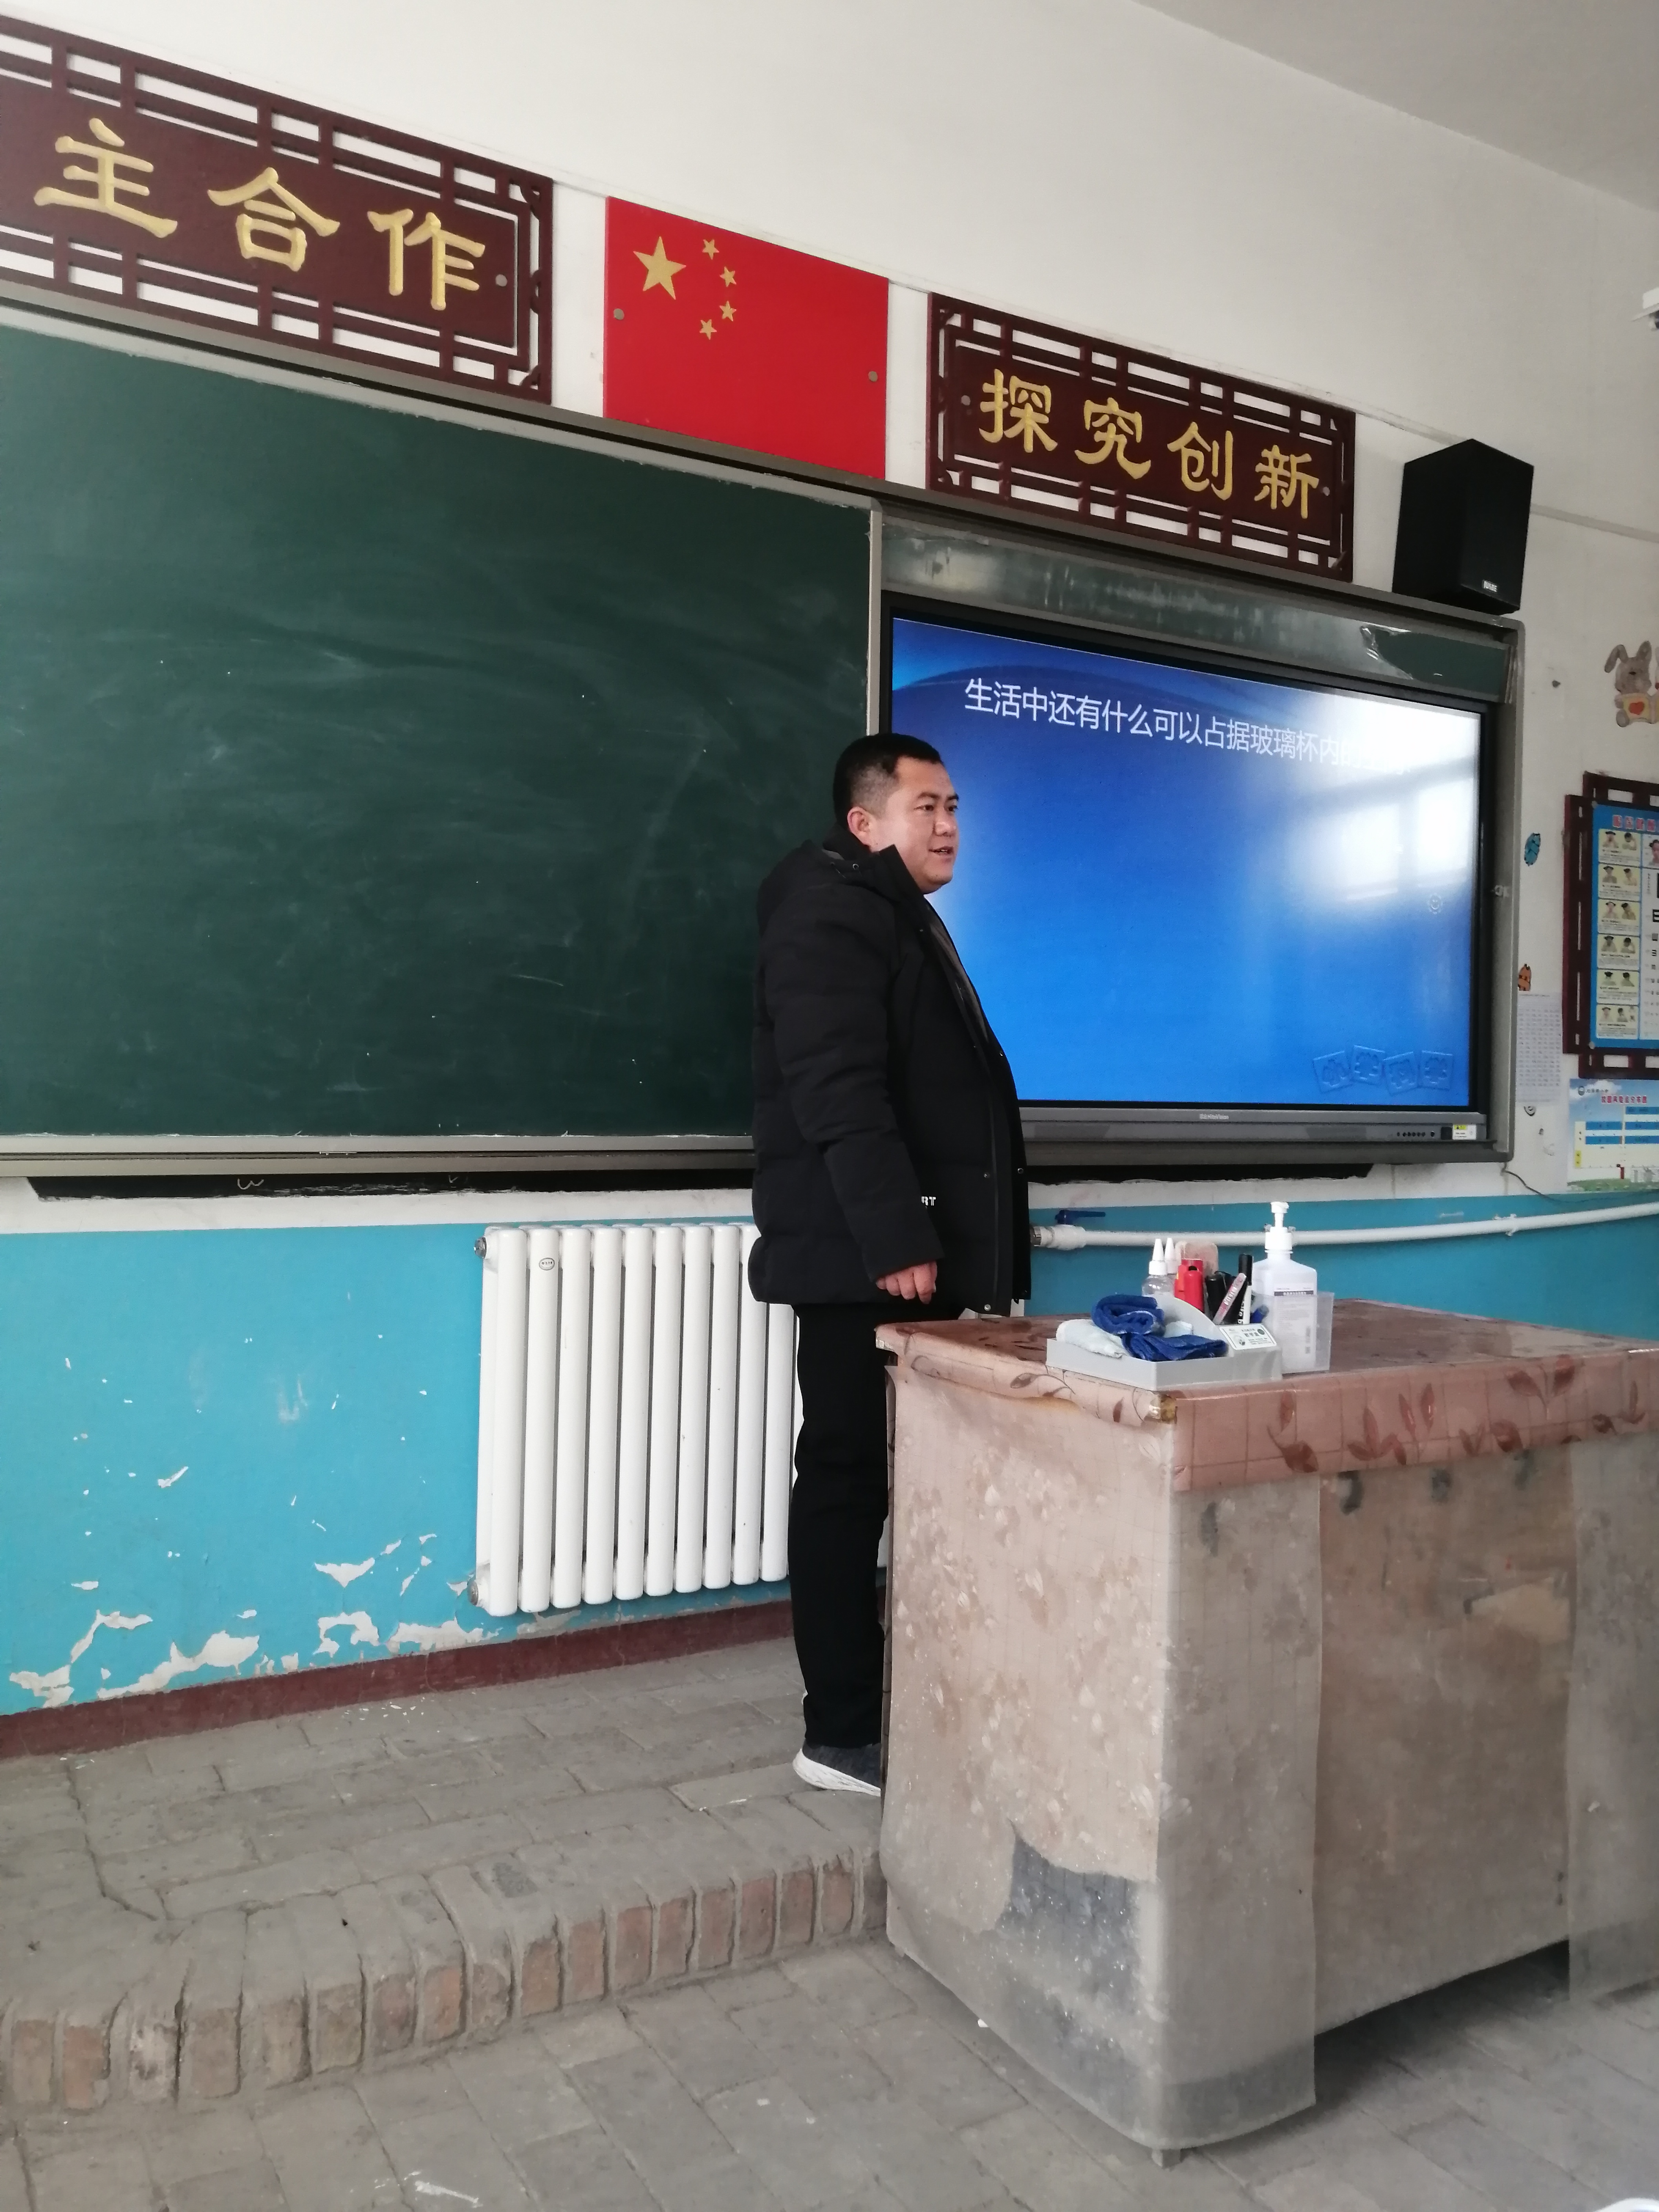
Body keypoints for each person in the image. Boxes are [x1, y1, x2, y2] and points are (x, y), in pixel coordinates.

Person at [749, 732, 1029, 1795]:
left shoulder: (889, 908)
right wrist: (900, 1237)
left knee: (890, 1480)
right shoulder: (830, 911)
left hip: (890, 1256)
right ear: (865, 823)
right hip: (862, 1263)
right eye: (927, 807)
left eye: (955, 805)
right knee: (847, 1480)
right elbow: (837, 1086)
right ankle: (841, 1733)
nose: (949, 825)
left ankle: (891, 1704)